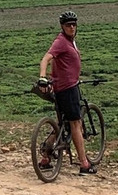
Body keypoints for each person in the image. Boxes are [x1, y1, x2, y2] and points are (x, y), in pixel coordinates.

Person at [38, 10, 97, 174]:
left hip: (68, 86)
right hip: (67, 89)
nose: (71, 27)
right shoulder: (61, 41)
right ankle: (84, 164)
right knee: (76, 124)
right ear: (62, 27)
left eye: (74, 24)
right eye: (68, 25)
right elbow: (46, 58)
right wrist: (42, 77)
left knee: (62, 124)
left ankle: (45, 157)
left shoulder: (71, 41)